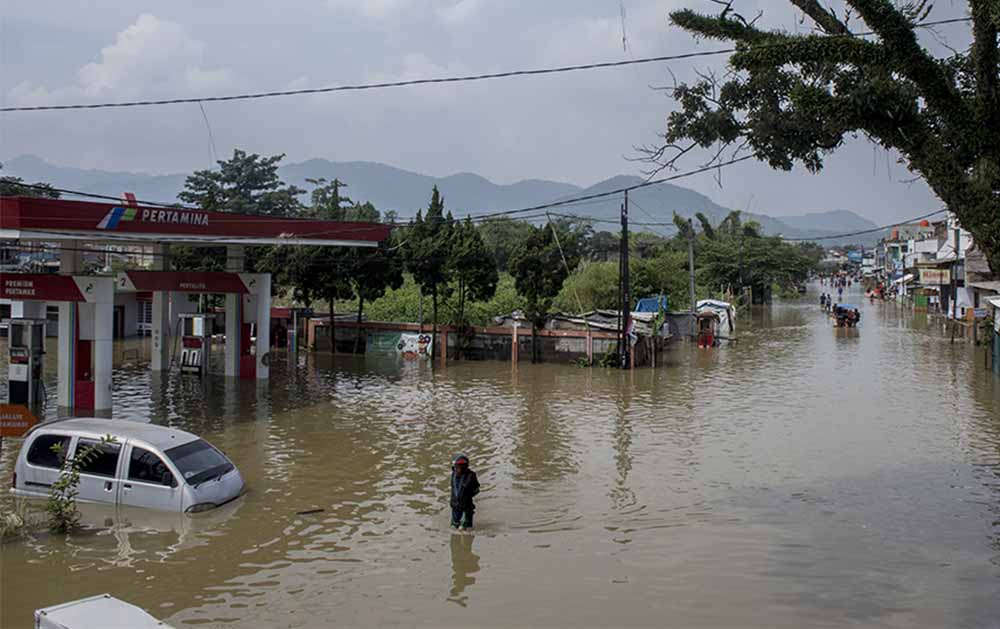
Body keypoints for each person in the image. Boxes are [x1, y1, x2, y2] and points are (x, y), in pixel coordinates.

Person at [450, 453, 480, 530]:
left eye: (463, 467)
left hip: (467, 507)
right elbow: (453, 488)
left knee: (467, 529)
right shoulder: (453, 475)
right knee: (454, 526)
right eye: (458, 466)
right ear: (454, 467)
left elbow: (476, 489)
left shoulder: (471, 475)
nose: (460, 469)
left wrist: (468, 496)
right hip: (455, 506)